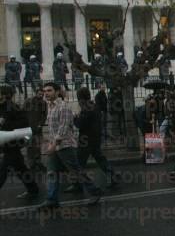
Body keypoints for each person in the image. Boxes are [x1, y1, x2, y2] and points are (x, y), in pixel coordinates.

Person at [38, 82, 102, 210]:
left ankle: (94, 192)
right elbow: (52, 129)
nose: (46, 93)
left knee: (76, 171)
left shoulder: (64, 107)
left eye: (49, 90)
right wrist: (50, 143)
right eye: (45, 91)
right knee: (51, 172)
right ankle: (52, 200)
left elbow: (63, 128)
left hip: (65, 146)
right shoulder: (50, 106)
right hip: (55, 146)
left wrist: (53, 144)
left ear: (57, 92)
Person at [64, 87, 119, 192]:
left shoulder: (86, 108)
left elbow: (80, 124)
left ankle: (78, 184)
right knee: (100, 159)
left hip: (86, 140)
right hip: (95, 138)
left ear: (80, 97)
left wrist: (75, 117)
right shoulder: (94, 106)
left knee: (79, 163)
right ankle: (113, 176)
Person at [0, 85, 40, 199]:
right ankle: (33, 189)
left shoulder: (13, 107)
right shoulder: (3, 107)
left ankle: (33, 189)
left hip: (12, 144)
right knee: (20, 169)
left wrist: (5, 124)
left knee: (3, 170)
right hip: (7, 144)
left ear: (4, 95)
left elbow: (24, 124)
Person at [24, 87, 47, 172]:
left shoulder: (43, 103)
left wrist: (40, 124)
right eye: (39, 94)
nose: (41, 95)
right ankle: (31, 165)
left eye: (42, 94)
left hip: (37, 129)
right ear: (36, 93)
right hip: (27, 128)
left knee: (38, 146)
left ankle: (38, 163)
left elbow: (44, 115)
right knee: (29, 147)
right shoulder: (28, 102)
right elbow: (23, 113)